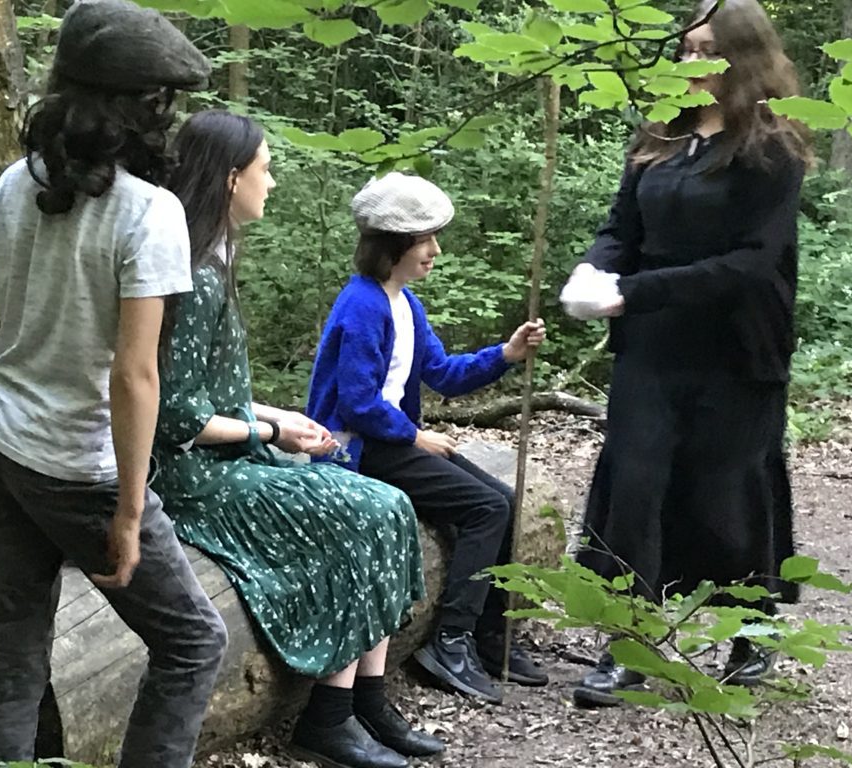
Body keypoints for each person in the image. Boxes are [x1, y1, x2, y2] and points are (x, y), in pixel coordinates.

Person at [0, 2, 228, 766]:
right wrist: (128, 509)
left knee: (12, 660)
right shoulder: (151, 213)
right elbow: (134, 374)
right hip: (77, 470)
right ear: (146, 107)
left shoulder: (16, 184)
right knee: (193, 642)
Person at [154, 110, 440, 768]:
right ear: (231, 180)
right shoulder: (194, 276)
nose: (273, 182)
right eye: (265, 169)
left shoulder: (213, 261)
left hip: (229, 453)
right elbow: (178, 419)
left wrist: (278, 416)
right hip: (193, 478)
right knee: (360, 509)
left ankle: (366, 701)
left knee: (384, 503)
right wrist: (273, 429)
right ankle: (328, 719)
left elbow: (212, 393)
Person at [559, 0, 812, 707]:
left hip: (737, 348)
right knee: (635, 484)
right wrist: (594, 270)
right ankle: (628, 641)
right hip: (651, 346)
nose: (692, 63)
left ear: (745, 58)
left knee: (728, 487)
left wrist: (631, 292)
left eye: (708, 50)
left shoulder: (772, 148)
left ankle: (751, 631)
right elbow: (622, 227)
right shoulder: (659, 136)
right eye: (687, 49)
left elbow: (753, 262)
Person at [306, 172, 548, 705]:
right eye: (425, 240)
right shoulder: (362, 304)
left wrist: (505, 355)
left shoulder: (404, 303)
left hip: (388, 440)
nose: (435, 250)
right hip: (354, 450)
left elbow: (442, 373)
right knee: (485, 508)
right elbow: (356, 403)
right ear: (393, 244)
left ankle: (490, 636)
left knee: (502, 501)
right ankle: (450, 641)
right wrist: (415, 437)